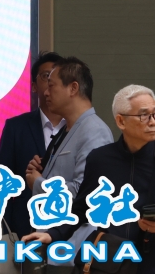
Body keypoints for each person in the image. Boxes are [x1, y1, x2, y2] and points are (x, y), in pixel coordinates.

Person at [23, 84, 155, 273]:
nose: (152, 121)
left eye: (154, 114)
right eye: (144, 115)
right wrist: (52, 234)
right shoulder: (101, 159)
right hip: (110, 261)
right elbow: (81, 208)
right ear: (121, 121)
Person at [24, 56, 113, 267]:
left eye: (51, 85)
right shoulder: (68, 128)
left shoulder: (94, 132)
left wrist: (38, 183)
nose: (46, 92)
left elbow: (85, 193)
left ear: (73, 88)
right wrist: (43, 169)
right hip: (56, 245)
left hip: (76, 250)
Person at [0, 51, 65, 236]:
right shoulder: (15, 127)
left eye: (57, 76)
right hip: (25, 228)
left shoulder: (77, 128)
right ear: (34, 86)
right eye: (46, 76)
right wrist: (6, 235)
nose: (51, 82)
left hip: (68, 227)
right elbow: (5, 184)